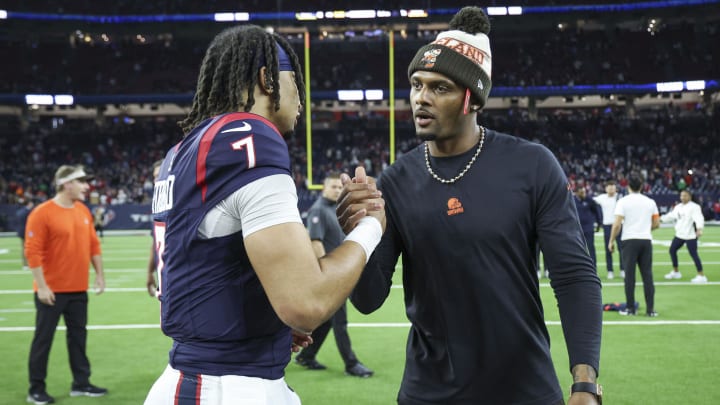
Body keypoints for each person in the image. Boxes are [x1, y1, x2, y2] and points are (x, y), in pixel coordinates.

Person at [341, 7, 603, 404]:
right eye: (416, 84)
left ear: (472, 98)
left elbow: (574, 277)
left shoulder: (531, 165)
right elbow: (367, 300)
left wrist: (585, 383)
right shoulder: (396, 179)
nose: (421, 99)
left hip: (524, 390)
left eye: (440, 88)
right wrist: (357, 235)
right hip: (429, 393)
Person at [143, 25, 386, 405]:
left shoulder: (182, 150)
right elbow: (307, 304)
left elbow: (206, 263)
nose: (301, 99)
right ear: (266, 79)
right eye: (296, 83)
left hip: (201, 377)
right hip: (227, 387)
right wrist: (371, 226)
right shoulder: (249, 136)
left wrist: (262, 322)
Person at [24, 165, 108, 404]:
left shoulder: (82, 210)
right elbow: (33, 251)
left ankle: (81, 383)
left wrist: (100, 276)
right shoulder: (42, 213)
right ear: (66, 184)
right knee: (43, 340)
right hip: (51, 292)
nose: (86, 186)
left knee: (78, 339)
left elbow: (94, 246)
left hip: (78, 290)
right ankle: (36, 389)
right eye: (81, 181)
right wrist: (41, 286)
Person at [294, 173, 374, 378]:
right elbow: (316, 242)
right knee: (340, 322)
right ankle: (351, 364)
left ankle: (306, 356)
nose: (338, 190)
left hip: (338, 272)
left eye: (340, 188)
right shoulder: (319, 210)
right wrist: (327, 273)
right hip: (332, 276)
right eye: (334, 187)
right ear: (324, 188)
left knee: (329, 321)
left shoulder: (334, 209)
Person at [609, 172, 660, 317]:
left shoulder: (623, 201)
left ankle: (630, 308)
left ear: (627, 186)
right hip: (645, 240)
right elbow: (656, 223)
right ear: (642, 186)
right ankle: (651, 310)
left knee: (629, 276)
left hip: (629, 240)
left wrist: (611, 241)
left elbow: (617, 224)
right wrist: (644, 228)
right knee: (647, 276)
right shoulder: (650, 202)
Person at [661, 189, 706, 283]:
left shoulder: (695, 207)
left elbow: (699, 218)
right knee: (672, 250)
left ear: (689, 196)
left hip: (690, 235)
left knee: (694, 254)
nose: (682, 197)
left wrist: (699, 228)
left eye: (685, 195)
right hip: (680, 234)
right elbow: (671, 216)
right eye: (681, 195)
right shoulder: (678, 207)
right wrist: (660, 219)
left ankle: (701, 275)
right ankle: (676, 272)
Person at [594, 179, 624, 279]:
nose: (611, 189)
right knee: (608, 249)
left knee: (621, 248)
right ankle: (610, 270)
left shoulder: (620, 198)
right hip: (607, 225)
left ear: (616, 188)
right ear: (606, 189)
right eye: (609, 187)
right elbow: (590, 200)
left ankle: (622, 269)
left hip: (619, 224)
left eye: (613, 187)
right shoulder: (602, 198)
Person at [574, 185, 602, 271]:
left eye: (584, 192)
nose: (584, 194)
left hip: (588, 228)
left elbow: (597, 211)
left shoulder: (589, 200)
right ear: (576, 192)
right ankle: (580, 268)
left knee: (591, 248)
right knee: (578, 249)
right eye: (582, 192)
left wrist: (599, 223)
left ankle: (594, 268)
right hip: (577, 229)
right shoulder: (572, 200)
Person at [146, 160, 163, 298]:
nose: (156, 180)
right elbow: (156, 243)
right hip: (165, 279)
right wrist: (149, 272)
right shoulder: (159, 204)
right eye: (154, 177)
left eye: (160, 175)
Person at [15, 198, 34, 270]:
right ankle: (27, 264)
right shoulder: (28, 212)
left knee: (24, 248)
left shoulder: (20, 211)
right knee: (28, 249)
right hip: (27, 232)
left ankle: (25, 264)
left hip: (21, 232)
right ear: (29, 203)